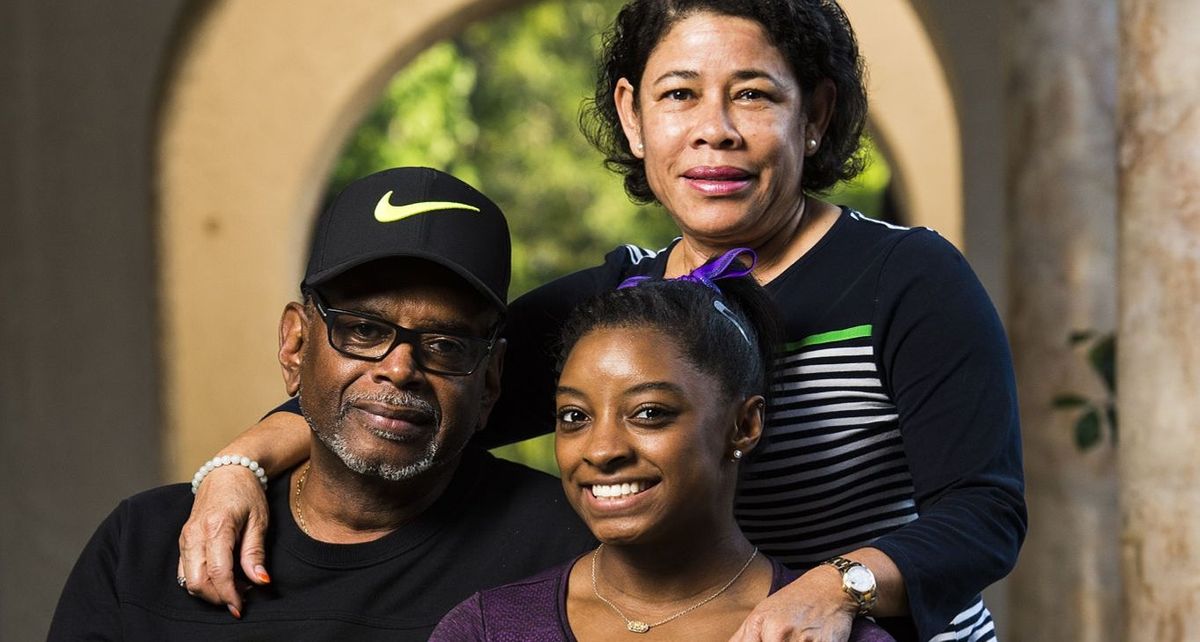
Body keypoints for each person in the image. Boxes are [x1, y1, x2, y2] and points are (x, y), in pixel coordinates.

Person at [178, 1, 1027, 640]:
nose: (714, 132)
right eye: (680, 94)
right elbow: (430, 391)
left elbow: (984, 513)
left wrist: (828, 591)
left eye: (755, 95)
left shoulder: (906, 278)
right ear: (632, 114)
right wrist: (238, 462)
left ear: (816, 115)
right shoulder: (623, 309)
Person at [48, 167, 593, 640]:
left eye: (446, 345)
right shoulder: (145, 546)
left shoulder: (569, 550)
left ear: (491, 381)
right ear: (295, 345)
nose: (400, 368)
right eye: (362, 329)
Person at [430, 250, 892, 641]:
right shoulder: (485, 628)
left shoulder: (825, 634)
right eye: (575, 417)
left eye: (649, 413)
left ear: (745, 424)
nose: (601, 450)